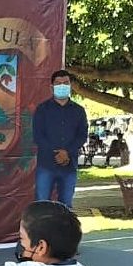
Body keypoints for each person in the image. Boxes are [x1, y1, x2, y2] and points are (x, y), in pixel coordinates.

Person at [32, 70, 87, 208]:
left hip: (69, 166)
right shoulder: (42, 110)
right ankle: (41, 230)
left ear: (70, 85)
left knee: (66, 205)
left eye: (66, 83)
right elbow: (38, 136)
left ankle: (65, 230)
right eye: (58, 83)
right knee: (42, 204)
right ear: (51, 87)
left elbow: (82, 136)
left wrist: (67, 153)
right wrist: (57, 153)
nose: (62, 86)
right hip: (46, 165)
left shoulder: (79, 111)